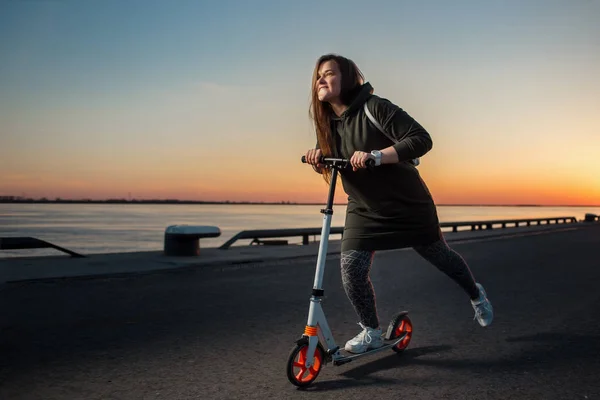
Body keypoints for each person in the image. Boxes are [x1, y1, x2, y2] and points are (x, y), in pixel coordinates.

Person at [304, 54, 494, 354]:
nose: (321, 80)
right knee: (351, 269)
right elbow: (336, 157)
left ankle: (475, 293)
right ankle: (372, 333)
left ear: (348, 78)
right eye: (318, 76)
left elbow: (421, 139)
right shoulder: (326, 122)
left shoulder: (374, 107)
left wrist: (377, 155)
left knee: (440, 256)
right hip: (364, 207)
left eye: (329, 73)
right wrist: (318, 157)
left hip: (407, 203)